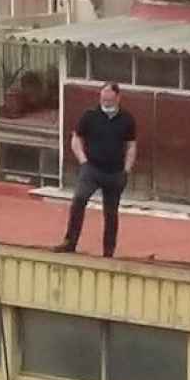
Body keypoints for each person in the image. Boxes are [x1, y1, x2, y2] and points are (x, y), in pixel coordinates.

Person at [52, 82, 136, 257]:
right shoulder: (90, 116)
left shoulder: (127, 119)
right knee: (79, 200)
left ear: (118, 98)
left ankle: (108, 251)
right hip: (92, 169)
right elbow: (76, 138)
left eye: (109, 99)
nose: (105, 101)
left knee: (111, 213)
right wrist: (83, 161)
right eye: (103, 98)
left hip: (115, 172)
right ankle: (70, 242)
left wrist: (126, 170)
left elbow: (131, 146)